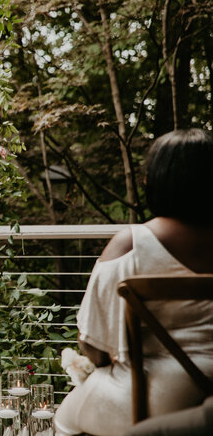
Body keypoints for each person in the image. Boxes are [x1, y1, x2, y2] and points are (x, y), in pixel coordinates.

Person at [55, 128, 213, 436]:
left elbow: (93, 344)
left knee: (63, 419)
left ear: (153, 180)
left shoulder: (132, 244)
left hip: (154, 399)